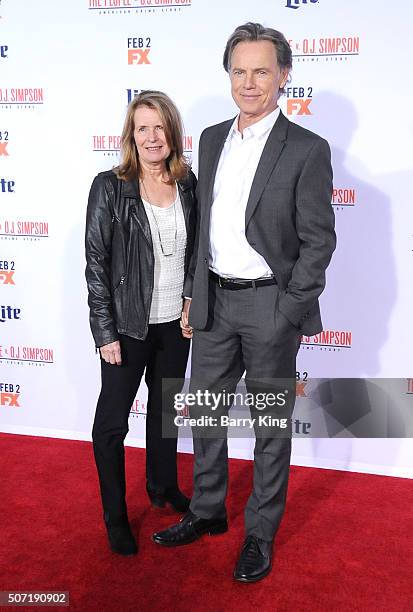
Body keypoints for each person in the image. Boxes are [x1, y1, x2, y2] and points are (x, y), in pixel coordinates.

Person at [152, 23, 336, 582]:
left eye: (261, 71)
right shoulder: (209, 138)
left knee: (269, 426)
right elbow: (204, 225)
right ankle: (207, 512)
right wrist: (192, 294)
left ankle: (260, 532)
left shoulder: (307, 148)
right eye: (239, 71)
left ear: (284, 75)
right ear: (228, 75)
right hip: (213, 302)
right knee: (204, 414)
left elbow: (318, 241)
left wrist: (287, 311)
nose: (249, 83)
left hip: (267, 307)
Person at [85, 90, 197, 556]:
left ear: (172, 131)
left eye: (159, 126)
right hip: (128, 327)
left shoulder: (188, 182)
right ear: (131, 136)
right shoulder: (110, 186)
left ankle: (162, 487)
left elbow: (197, 252)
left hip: (176, 324)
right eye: (142, 128)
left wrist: (191, 299)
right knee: (110, 426)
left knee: (166, 412)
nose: (152, 137)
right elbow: (96, 262)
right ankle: (115, 517)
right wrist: (104, 330)